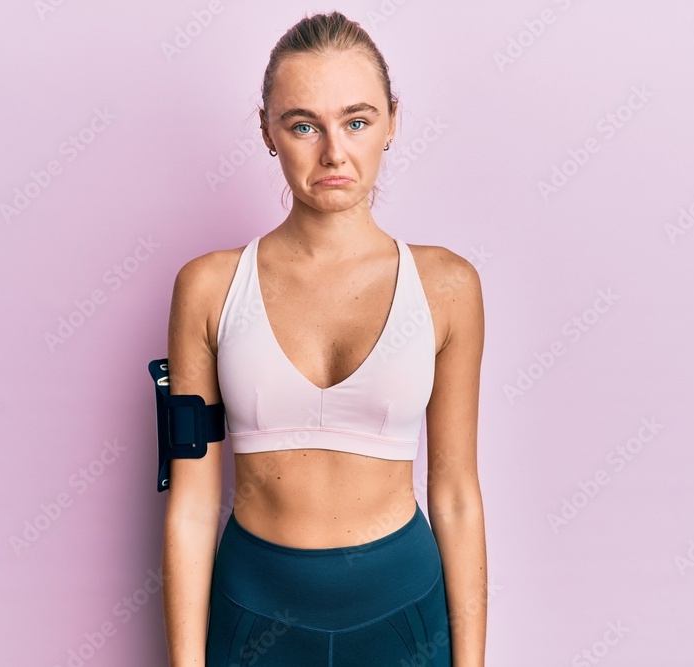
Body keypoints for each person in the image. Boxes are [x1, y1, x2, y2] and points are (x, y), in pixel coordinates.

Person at [162, 11, 486, 666]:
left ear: (393, 121)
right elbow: (191, 503)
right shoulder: (207, 288)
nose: (333, 152)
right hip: (250, 616)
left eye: (357, 121)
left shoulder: (448, 285)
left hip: (404, 617)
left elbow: (455, 492)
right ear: (267, 131)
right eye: (303, 124)